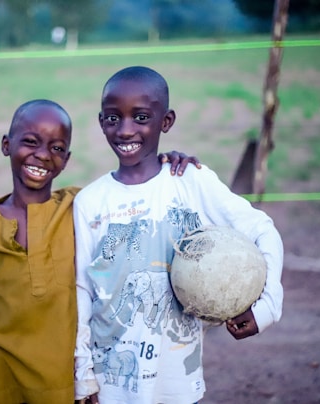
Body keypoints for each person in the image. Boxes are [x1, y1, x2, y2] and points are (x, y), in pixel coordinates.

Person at [0, 99, 200, 404]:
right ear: (6, 145)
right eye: (30, 142)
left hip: (59, 377)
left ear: (66, 159)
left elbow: (132, 189)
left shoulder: (79, 206)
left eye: (56, 148)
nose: (42, 155)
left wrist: (164, 161)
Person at [73, 66, 284, 404]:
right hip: (111, 385)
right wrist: (83, 377)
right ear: (101, 122)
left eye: (141, 117)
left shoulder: (190, 182)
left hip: (177, 385)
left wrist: (267, 306)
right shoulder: (90, 202)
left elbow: (262, 229)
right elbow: (82, 292)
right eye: (113, 119)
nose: (126, 130)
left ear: (166, 121)